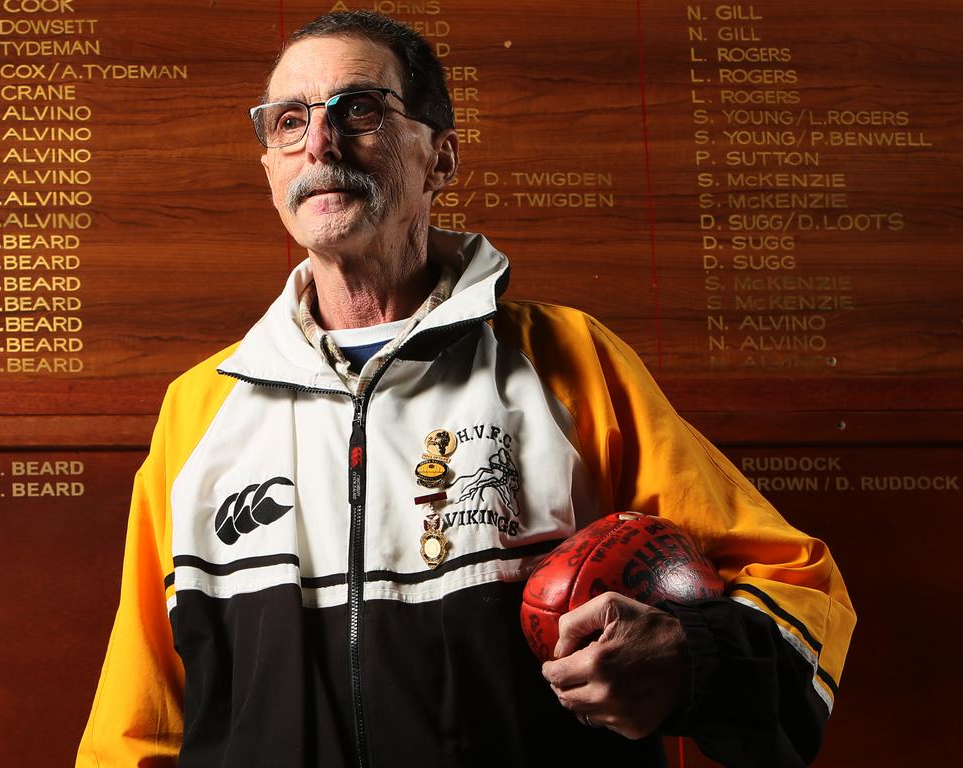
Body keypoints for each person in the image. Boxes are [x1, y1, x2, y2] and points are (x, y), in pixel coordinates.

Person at [77, 10, 854, 768]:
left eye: (361, 111)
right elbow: (139, 719)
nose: (318, 142)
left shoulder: (568, 360)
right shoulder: (198, 409)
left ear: (439, 160)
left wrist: (691, 661)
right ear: (271, 168)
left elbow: (796, 583)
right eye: (288, 121)